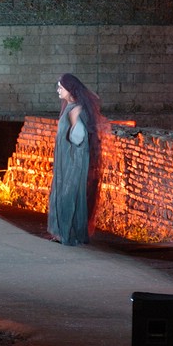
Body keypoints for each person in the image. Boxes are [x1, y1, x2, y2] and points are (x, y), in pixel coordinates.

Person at [47, 73, 104, 246]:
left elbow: (79, 138)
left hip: (74, 160)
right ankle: (62, 233)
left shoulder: (76, 109)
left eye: (60, 87)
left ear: (69, 89)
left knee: (69, 194)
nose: (58, 90)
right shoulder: (69, 106)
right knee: (63, 192)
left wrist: (73, 122)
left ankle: (68, 234)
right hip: (66, 160)